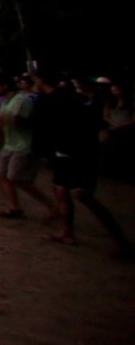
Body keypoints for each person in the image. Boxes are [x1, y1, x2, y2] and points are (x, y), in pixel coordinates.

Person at [35, 69, 131, 256]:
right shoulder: (59, 99)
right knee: (61, 190)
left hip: (81, 152)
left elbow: (95, 124)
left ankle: (121, 240)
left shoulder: (72, 100)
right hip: (64, 151)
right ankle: (67, 231)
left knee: (83, 195)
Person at [0, 72, 58, 221]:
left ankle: (51, 206)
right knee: (1, 173)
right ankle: (14, 206)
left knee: (18, 178)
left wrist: (4, 123)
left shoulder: (21, 100)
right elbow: (1, 122)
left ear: (5, 86)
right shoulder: (7, 101)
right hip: (10, 143)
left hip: (23, 143)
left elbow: (17, 121)